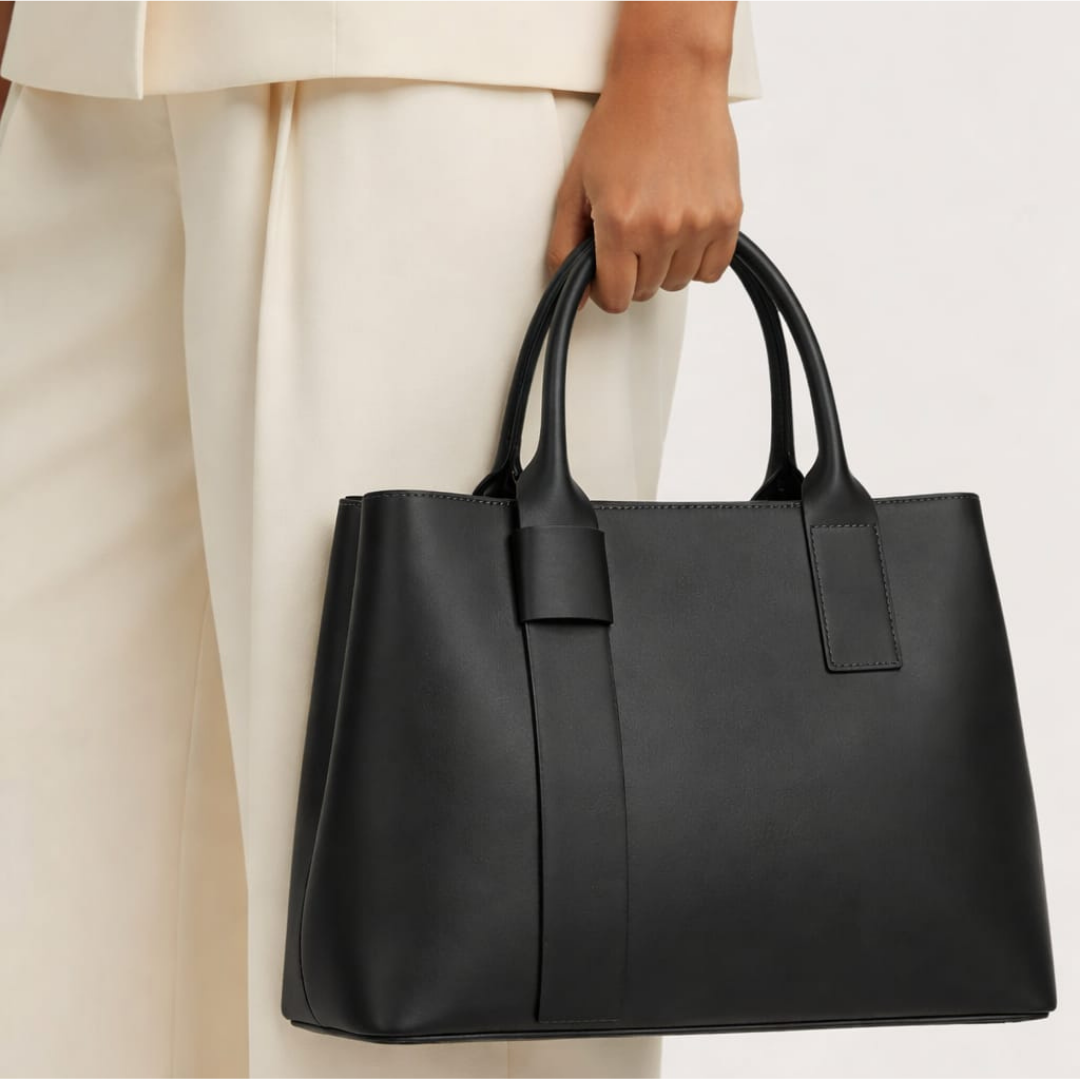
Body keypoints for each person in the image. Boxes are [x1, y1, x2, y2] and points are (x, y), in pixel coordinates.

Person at [0, 2, 759, 1076]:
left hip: (439, 75)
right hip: (83, 80)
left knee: (424, 895)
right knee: (59, 869)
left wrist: (675, 54)